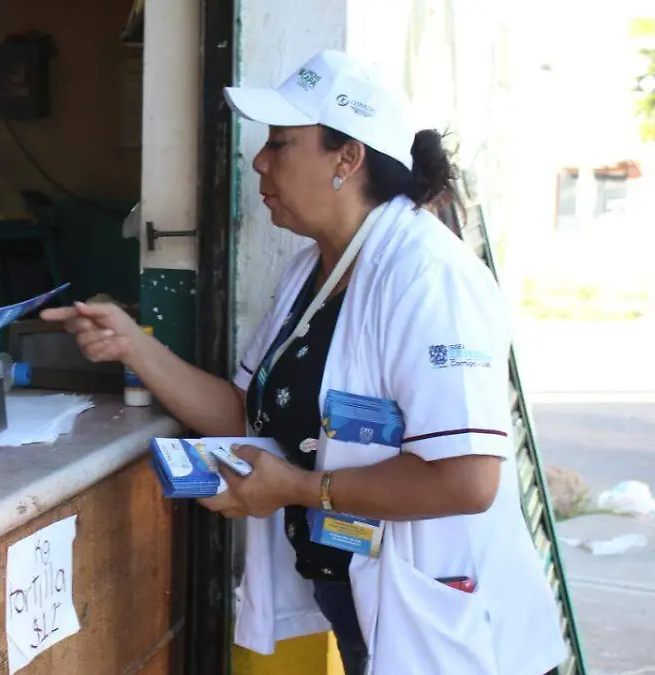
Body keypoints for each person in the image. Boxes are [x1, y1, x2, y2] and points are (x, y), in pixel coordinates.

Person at [41, 50, 566, 675]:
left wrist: (295, 488)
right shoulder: (312, 273)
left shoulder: (428, 278)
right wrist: (133, 345)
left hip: (442, 614)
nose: (260, 161)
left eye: (282, 144)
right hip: (353, 594)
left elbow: (467, 479)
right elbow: (245, 411)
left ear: (348, 159)